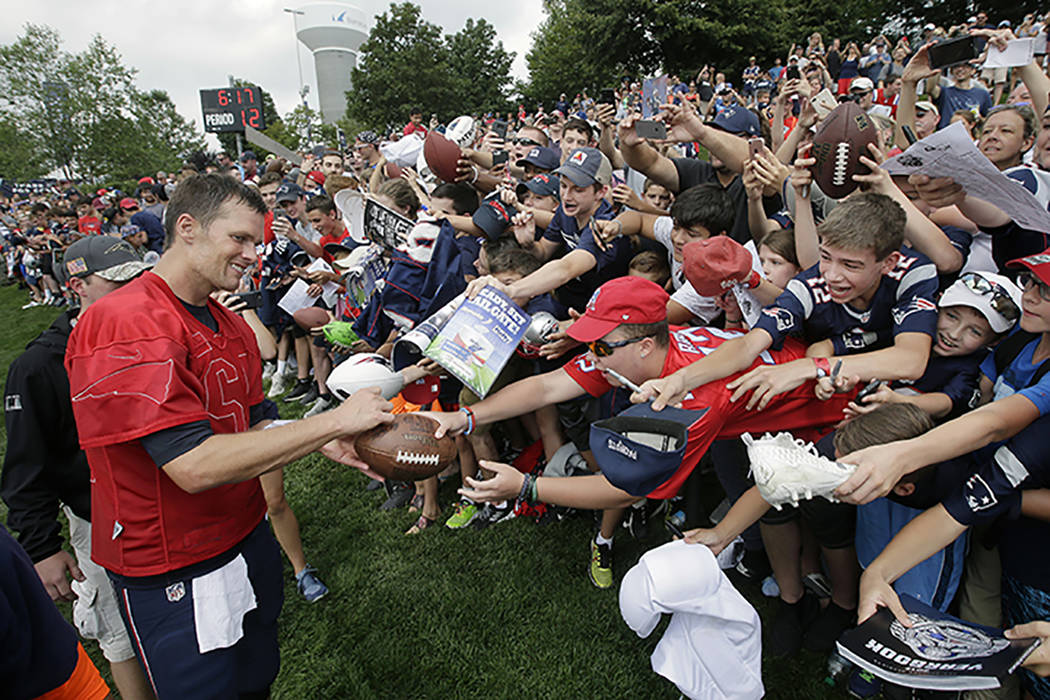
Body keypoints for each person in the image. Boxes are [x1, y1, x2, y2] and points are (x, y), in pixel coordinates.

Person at [64, 173, 394, 698]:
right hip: (175, 560)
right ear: (188, 228)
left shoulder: (230, 321)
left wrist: (318, 440)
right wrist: (332, 420)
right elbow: (192, 465)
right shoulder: (127, 319)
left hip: (244, 534)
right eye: (238, 239)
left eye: (256, 242)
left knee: (255, 680)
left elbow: (255, 417)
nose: (250, 254)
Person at [424, 276, 855, 588]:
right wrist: (468, 418)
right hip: (779, 395)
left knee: (812, 511)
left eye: (600, 346)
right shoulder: (646, 348)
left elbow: (627, 489)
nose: (592, 356)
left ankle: (821, 600)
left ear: (644, 345)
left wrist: (527, 487)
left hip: (827, 413)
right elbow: (547, 384)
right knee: (769, 500)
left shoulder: (691, 400)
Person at [2, 236, 155, 700]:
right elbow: (25, 468)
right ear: (79, 285)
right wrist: (43, 548)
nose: (135, 293)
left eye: (139, 281)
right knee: (118, 633)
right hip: (97, 518)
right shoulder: (37, 366)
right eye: (118, 284)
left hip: (162, 504)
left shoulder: (148, 336)